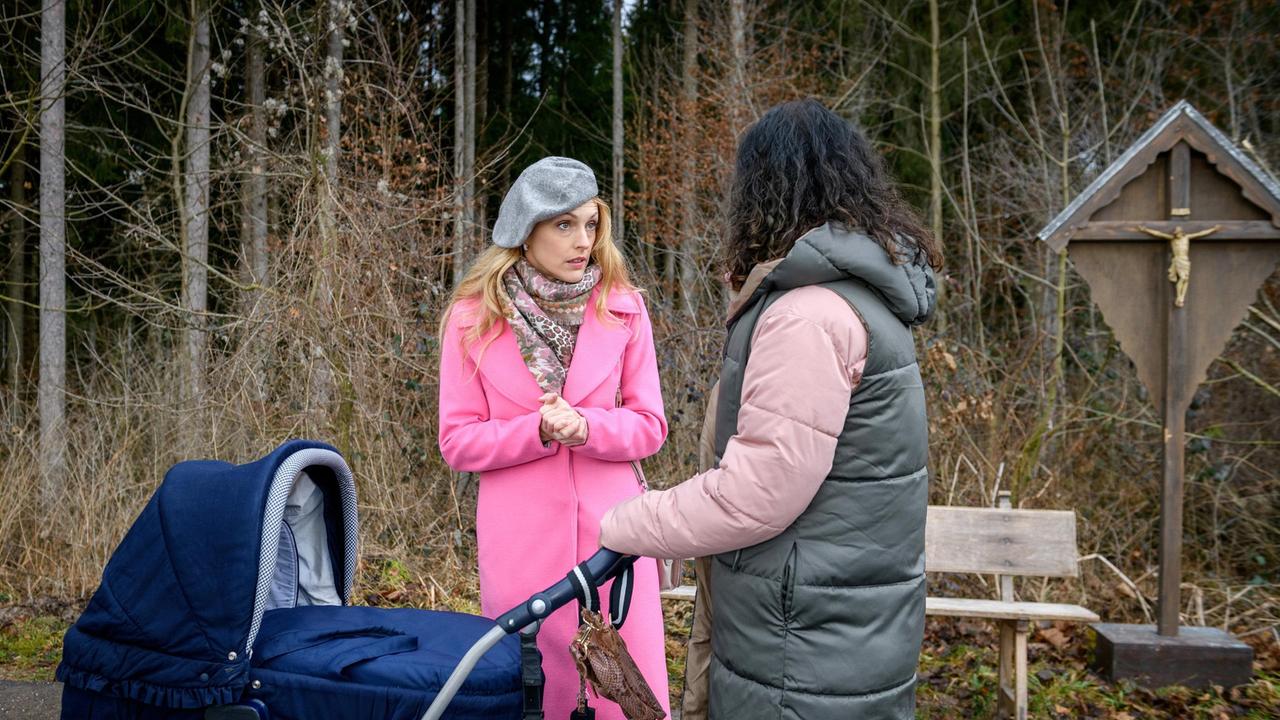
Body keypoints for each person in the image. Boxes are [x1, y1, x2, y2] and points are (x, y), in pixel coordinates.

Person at [600, 99, 942, 720]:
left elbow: (757, 492)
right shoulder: (860, 300)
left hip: (800, 650)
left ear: (767, 189)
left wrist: (631, 523)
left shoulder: (808, 317)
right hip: (839, 636)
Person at [437, 156, 671, 719]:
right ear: (526, 230)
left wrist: (588, 427)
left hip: (613, 542)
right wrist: (536, 430)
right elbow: (458, 442)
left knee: (624, 695)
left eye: (591, 224)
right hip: (521, 542)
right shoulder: (472, 319)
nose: (583, 240)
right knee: (532, 691)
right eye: (564, 225)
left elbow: (650, 426)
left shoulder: (626, 308)